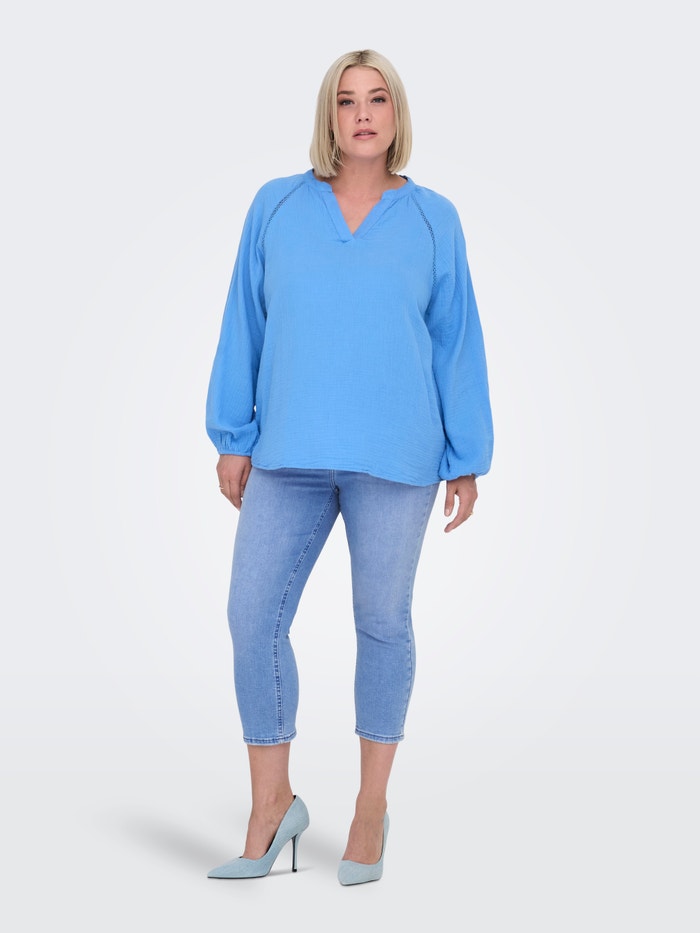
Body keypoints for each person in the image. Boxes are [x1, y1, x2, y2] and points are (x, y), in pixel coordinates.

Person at [205, 48, 493, 885]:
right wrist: (233, 434)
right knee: (251, 616)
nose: (362, 114)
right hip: (288, 452)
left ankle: (371, 808)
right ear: (327, 117)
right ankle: (272, 805)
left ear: (397, 115)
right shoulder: (276, 205)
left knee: (382, 622)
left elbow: (457, 340)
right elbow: (244, 320)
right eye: (345, 101)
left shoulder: (434, 219)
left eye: (376, 99)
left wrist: (467, 456)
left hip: (397, 456)